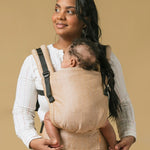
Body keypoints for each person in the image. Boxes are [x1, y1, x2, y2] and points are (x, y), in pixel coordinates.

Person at [12, 0, 136, 150]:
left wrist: (128, 135)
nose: (60, 16)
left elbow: (123, 102)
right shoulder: (35, 61)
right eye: (57, 9)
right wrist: (32, 140)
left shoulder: (104, 57)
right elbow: (22, 110)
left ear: (86, 20)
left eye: (69, 11)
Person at [44, 38, 117, 149]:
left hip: (66, 117)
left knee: (48, 118)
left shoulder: (62, 75)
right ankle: (113, 144)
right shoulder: (96, 75)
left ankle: (55, 141)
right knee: (105, 123)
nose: (62, 62)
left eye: (64, 59)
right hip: (95, 118)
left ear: (72, 62)